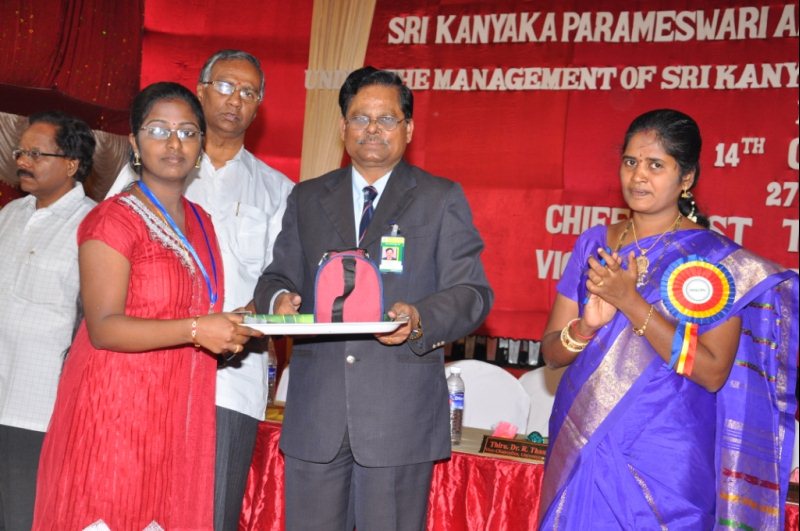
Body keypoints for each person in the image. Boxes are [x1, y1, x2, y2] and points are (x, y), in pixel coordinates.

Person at [253, 66, 493, 530]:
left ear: (409, 128)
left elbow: (473, 294)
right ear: (343, 126)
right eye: (361, 118)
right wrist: (279, 298)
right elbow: (275, 276)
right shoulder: (307, 198)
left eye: (387, 119)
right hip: (316, 416)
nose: (373, 129)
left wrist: (420, 317)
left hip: (398, 419)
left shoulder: (439, 198)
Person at [538, 109, 798, 530]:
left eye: (656, 165)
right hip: (583, 439)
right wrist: (585, 328)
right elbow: (551, 354)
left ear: (687, 177)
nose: (639, 175)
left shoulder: (715, 260)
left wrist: (630, 301)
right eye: (630, 161)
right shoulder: (594, 244)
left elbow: (713, 372)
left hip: (667, 456)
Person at [32, 82, 259, 530]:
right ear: (135, 143)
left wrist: (249, 320)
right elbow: (103, 327)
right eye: (158, 130)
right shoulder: (112, 218)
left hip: (176, 415)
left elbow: (196, 313)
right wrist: (197, 330)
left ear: (201, 144)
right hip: (115, 412)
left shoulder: (201, 221)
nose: (174, 143)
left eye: (187, 132)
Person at [106, 49, 294, 530]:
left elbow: (283, 279)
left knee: (210, 514)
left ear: (259, 106)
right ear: (202, 91)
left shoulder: (278, 190)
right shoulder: (149, 169)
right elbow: (107, 259)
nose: (235, 100)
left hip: (231, 378)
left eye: (249, 92)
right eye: (225, 86)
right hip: (145, 370)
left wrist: (242, 325)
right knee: (133, 510)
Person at [0, 111, 97, 530]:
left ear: (72, 164)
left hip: (40, 410)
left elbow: (93, 324)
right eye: (21, 152)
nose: (23, 161)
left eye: (36, 154)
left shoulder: (93, 225)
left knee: (25, 519)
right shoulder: (9, 214)